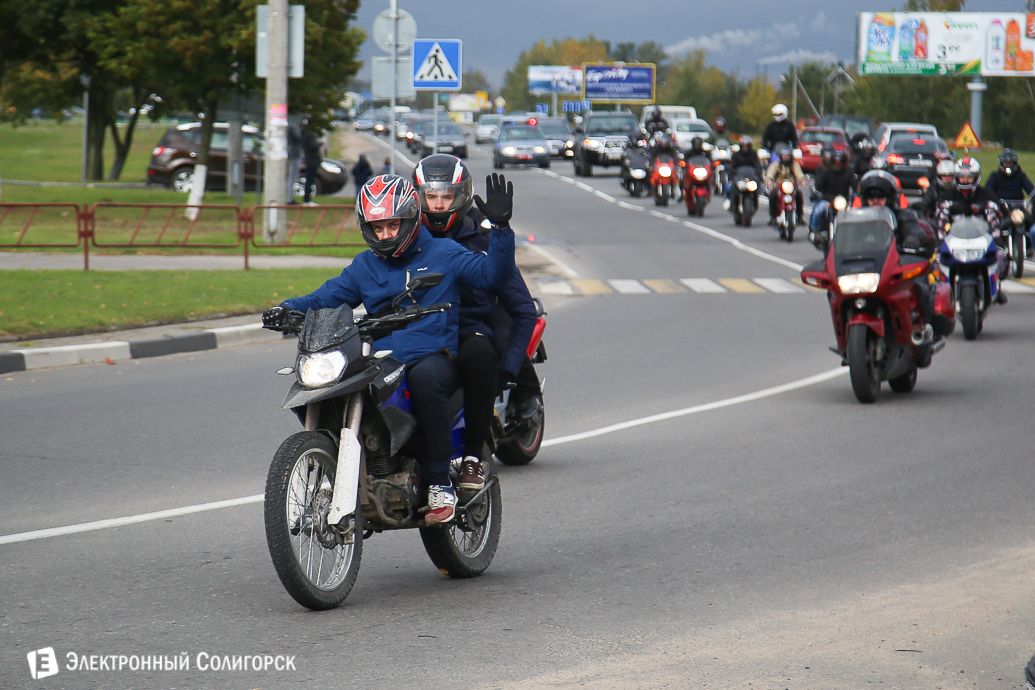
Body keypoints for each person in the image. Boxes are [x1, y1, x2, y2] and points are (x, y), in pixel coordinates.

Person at [263, 173, 516, 525]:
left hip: (433, 355)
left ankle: (440, 484)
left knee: (425, 379)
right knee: (331, 384)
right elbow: (325, 297)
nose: (386, 235)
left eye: (393, 225)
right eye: (377, 228)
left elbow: (492, 275)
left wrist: (501, 229)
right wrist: (287, 309)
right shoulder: (364, 266)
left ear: (411, 217)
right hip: (382, 359)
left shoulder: (444, 252)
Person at [412, 154, 539, 480]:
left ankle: (479, 451)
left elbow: (522, 307)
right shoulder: (402, 238)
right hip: (421, 334)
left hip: (473, 324)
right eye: (432, 196)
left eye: (447, 196)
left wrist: (506, 370)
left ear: (462, 196)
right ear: (418, 197)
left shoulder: (482, 236)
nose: (439, 205)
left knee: (493, 340)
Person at [856, 170, 936, 331]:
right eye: (871, 197)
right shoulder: (857, 219)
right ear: (865, 199)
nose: (875, 200)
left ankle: (923, 329)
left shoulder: (902, 215)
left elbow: (915, 230)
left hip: (897, 265)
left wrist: (911, 240)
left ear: (890, 197)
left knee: (920, 288)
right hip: (868, 266)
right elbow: (844, 238)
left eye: (880, 196)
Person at [936, 157, 1008, 303]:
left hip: (982, 240)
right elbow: (940, 220)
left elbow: (996, 217)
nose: (965, 181)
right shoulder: (946, 197)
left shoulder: (987, 196)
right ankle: (939, 291)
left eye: (969, 177)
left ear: (976, 178)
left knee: (1002, 256)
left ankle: (996, 287)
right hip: (954, 241)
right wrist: (939, 239)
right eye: (962, 177)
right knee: (935, 260)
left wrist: (999, 235)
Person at [986, 149, 1035, 258]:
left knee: (1031, 222)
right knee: (995, 224)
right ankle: (998, 246)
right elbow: (988, 192)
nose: (1008, 165)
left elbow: (1031, 191)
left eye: (1010, 163)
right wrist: (996, 202)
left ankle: (1029, 246)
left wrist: (1033, 196)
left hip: (1019, 209)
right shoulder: (995, 176)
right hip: (1003, 209)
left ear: (1015, 163)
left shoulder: (1020, 176)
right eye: (1005, 163)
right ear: (1001, 163)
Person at [810, 148, 856, 234]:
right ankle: (814, 230)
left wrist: (857, 194)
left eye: (840, 163)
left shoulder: (849, 173)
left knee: (855, 214)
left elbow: (855, 187)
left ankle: (853, 233)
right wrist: (816, 193)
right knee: (818, 211)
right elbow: (818, 186)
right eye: (836, 163)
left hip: (843, 201)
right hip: (827, 200)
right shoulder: (826, 172)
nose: (838, 165)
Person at [765, 144, 806, 225]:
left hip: (792, 186)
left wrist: (802, 179)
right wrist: (769, 180)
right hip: (778, 186)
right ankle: (773, 217)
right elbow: (770, 173)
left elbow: (799, 173)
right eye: (783, 156)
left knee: (799, 195)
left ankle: (800, 216)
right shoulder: (776, 164)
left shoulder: (794, 164)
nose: (785, 157)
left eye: (787, 156)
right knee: (772, 195)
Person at [300, 123, 323, 206]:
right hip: (312, 161)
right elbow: (313, 145)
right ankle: (307, 200)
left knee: (309, 180)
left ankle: (307, 199)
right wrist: (320, 143)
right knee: (310, 180)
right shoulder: (309, 134)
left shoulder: (304, 134)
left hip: (309, 160)